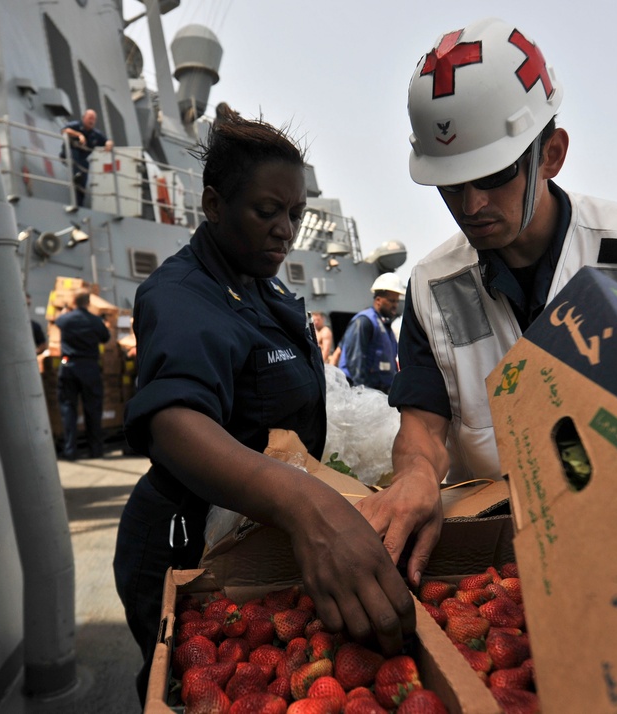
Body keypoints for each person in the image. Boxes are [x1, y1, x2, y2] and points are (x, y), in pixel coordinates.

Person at [355, 17, 617, 588]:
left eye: (493, 176)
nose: (471, 203)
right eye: (450, 185)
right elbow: (423, 428)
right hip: (501, 572)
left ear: (551, 153)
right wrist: (415, 475)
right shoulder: (432, 287)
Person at [112, 105, 414, 705]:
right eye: (267, 211)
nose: (286, 230)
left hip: (251, 532)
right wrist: (306, 505)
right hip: (186, 539)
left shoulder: (264, 285)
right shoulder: (179, 295)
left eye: (296, 214)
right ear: (214, 205)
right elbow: (176, 422)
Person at [55, 291, 111, 460]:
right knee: (93, 409)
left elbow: (57, 322)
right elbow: (105, 338)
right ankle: (96, 450)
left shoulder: (65, 319)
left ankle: (70, 451)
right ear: (88, 302)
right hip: (89, 367)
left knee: (68, 408)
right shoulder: (95, 321)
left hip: (68, 366)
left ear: (73, 302)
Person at [338, 273, 405, 393]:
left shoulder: (385, 326)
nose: (395, 305)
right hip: (364, 394)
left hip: (381, 394)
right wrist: (362, 394)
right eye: (391, 301)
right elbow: (355, 361)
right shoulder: (364, 321)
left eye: (397, 301)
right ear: (378, 300)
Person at [61, 108, 113, 207]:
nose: (91, 121)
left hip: (82, 160)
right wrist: (79, 135)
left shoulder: (95, 134)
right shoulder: (76, 125)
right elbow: (64, 130)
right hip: (69, 154)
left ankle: (79, 203)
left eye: (93, 119)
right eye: (90, 118)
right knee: (75, 155)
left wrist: (108, 143)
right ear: (84, 118)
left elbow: (107, 140)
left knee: (84, 169)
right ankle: (76, 175)